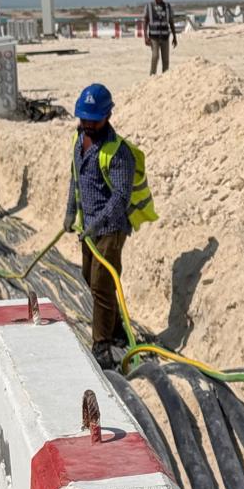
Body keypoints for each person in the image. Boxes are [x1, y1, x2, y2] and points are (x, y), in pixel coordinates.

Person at [63, 83, 158, 367]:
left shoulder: (118, 153)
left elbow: (120, 197)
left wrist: (98, 223)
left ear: (107, 116)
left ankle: (102, 344)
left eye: (94, 119)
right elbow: (75, 179)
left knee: (102, 285)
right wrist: (70, 212)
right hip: (88, 227)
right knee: (89, 277)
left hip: (111, 228)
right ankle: (115, 328)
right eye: (84, 118)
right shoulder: (79, 141)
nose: (88, 123)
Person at [143, 0, 177, 75]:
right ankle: (152, 76)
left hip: (165, 37)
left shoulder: (167, 7)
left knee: (166, 60)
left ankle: (165, 78)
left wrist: (174, 36)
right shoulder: (149, 6)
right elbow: (145, 22)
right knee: (155, 56)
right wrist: (145, 37)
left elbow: (171, 22)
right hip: (154, 38)